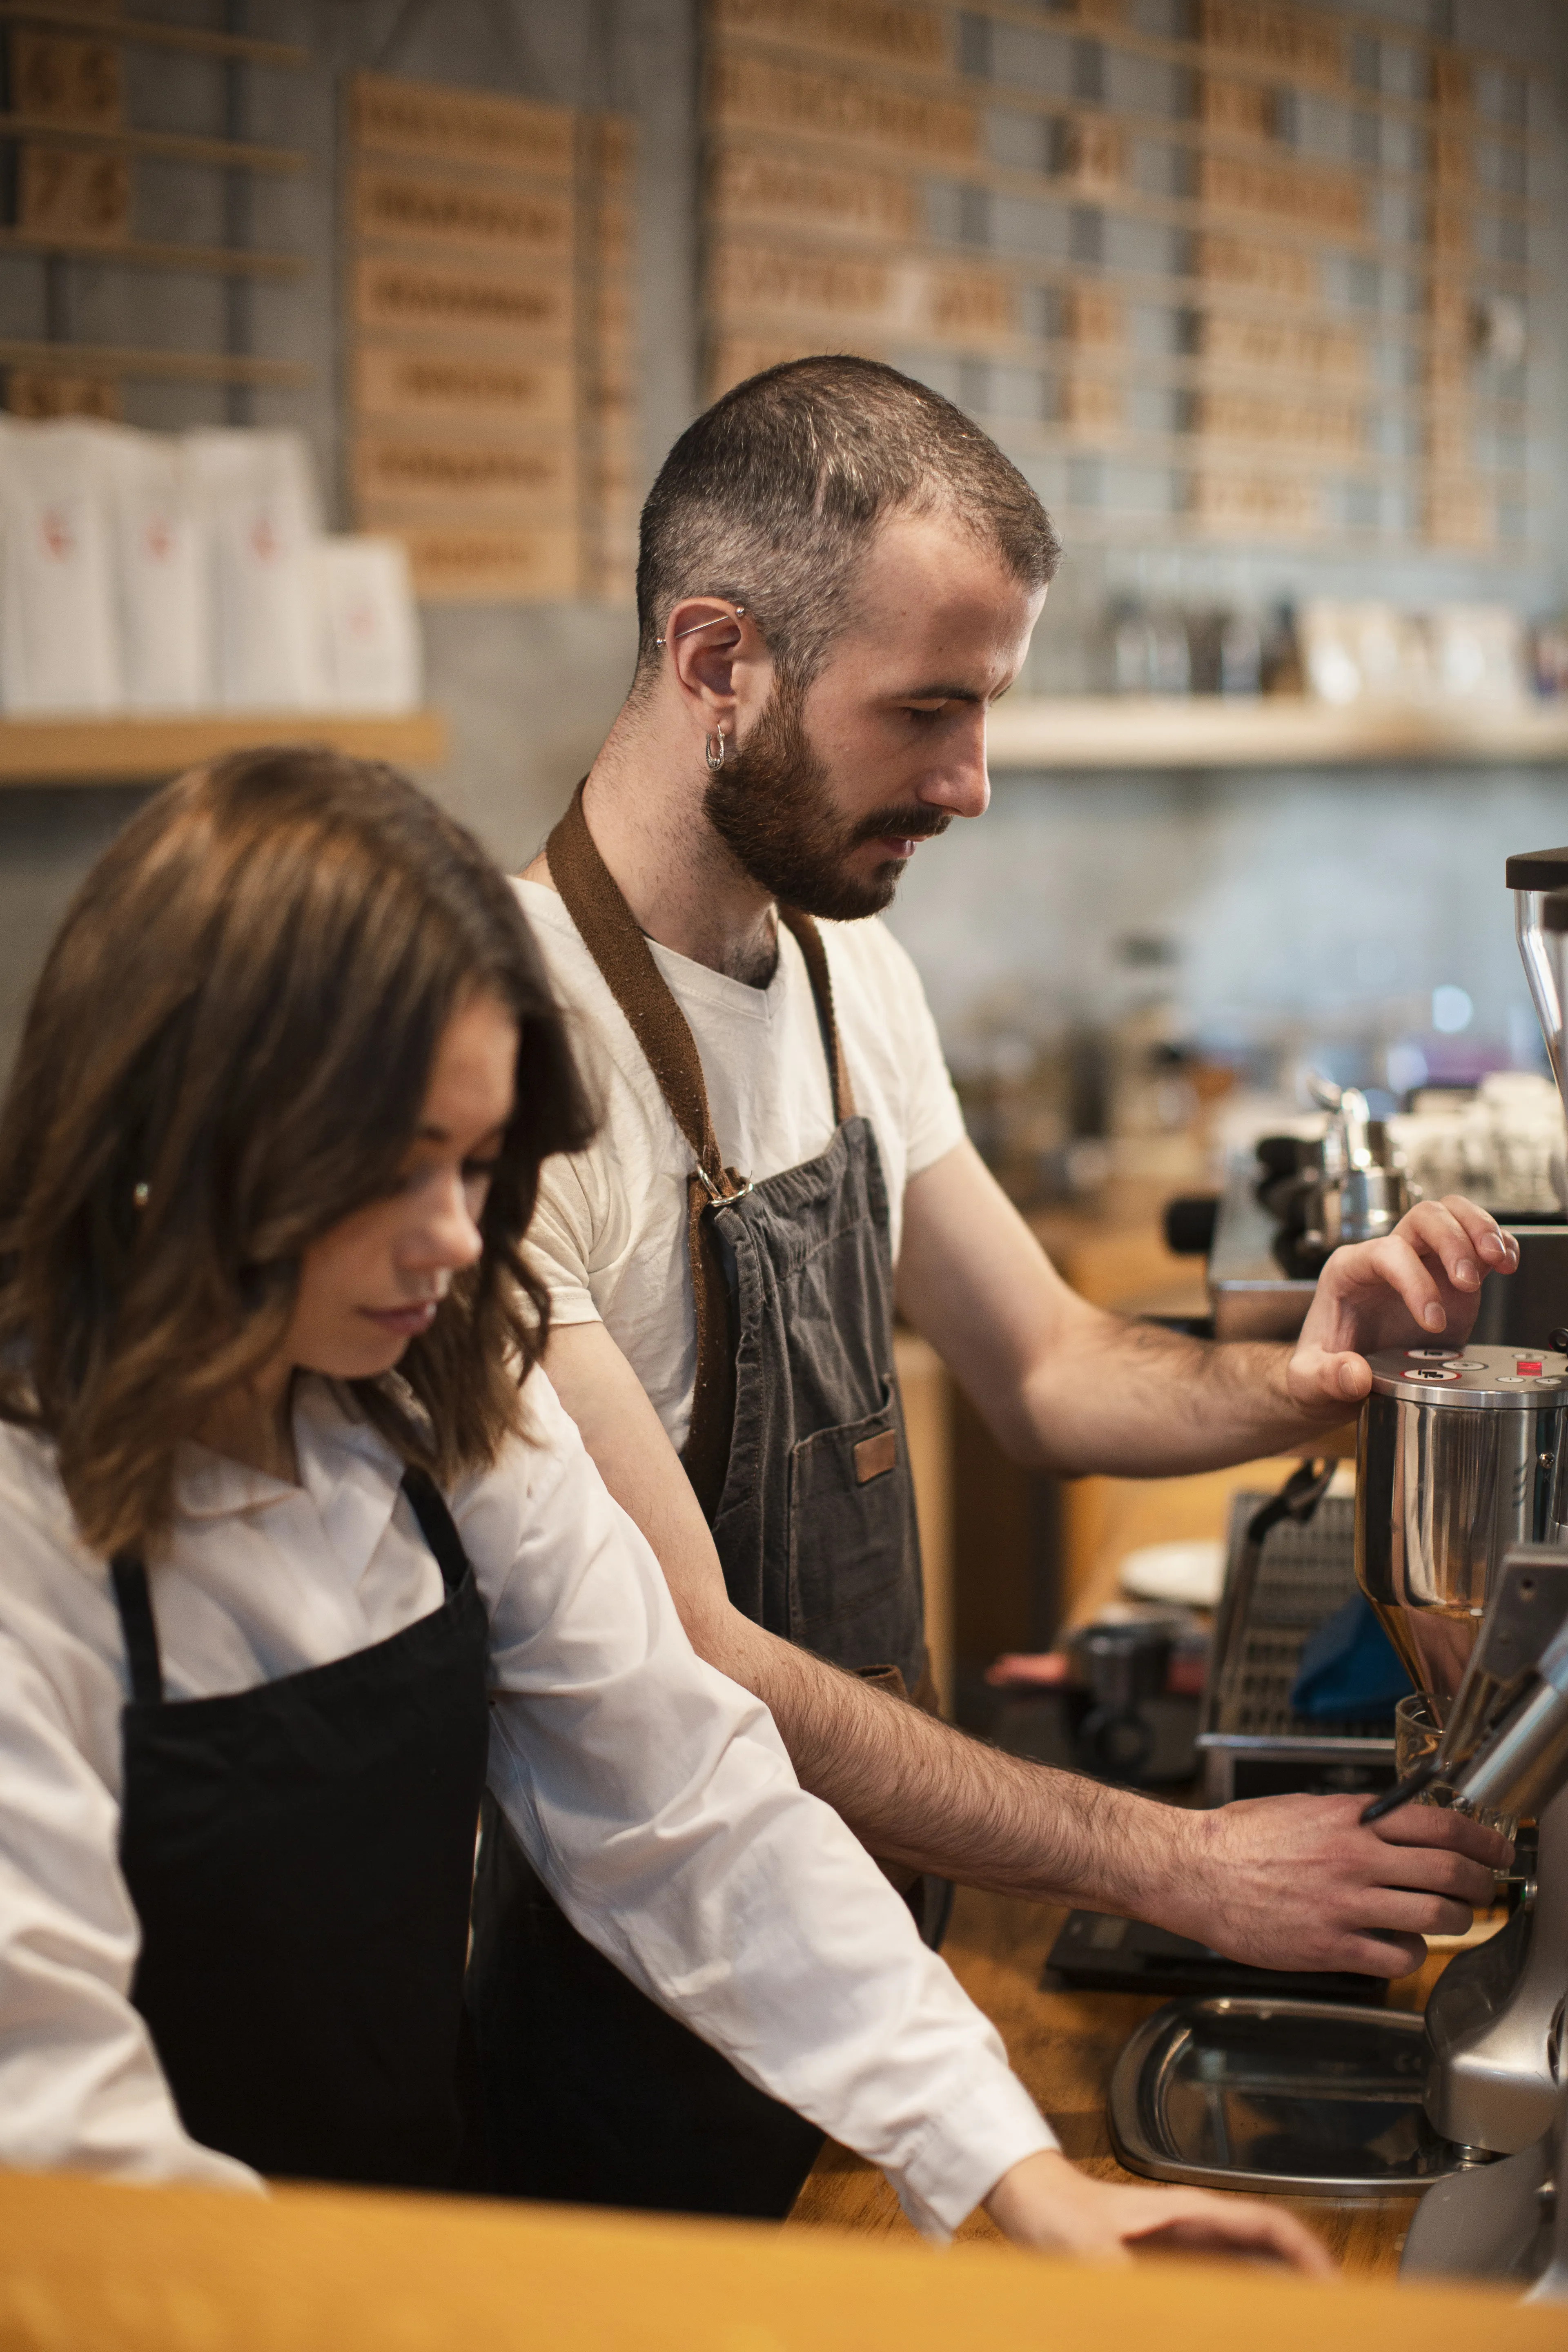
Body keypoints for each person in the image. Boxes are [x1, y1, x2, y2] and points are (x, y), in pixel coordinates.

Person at [0, 748, 1327, 2272]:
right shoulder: (26, 1520)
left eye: (481, 1165)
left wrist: (1009, 2173)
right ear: (185, 1132)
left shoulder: (445, 1394)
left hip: (404, 2247)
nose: (452, 1240)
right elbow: (55, 2117)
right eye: (389, 1169)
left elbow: (684, 1802)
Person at [474, 355, 1515, 2216]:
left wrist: (1310, 1372)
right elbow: (697, 1662)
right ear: (720, 662)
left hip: (878, 1970)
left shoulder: (847, 970)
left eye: (990, 708)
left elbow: (1042, 1367)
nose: (969, 783)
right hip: (624, 2017)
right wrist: (1173, 1864)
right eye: (927, 710)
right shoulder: (498, 1061)